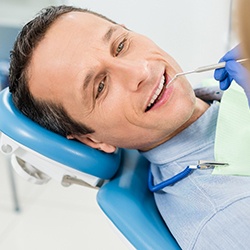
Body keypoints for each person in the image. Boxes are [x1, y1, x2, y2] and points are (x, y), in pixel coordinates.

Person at [8, 5, 250, 249]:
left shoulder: (219, 92)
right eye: (100, 87)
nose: (140, 71)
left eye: (121, 46)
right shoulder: (226, 215)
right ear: (92, 140)